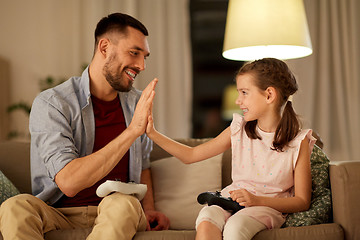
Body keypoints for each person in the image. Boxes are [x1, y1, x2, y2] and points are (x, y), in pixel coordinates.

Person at [0, 13, 169, 239]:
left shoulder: (137, 103)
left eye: (145, 56)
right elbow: (69, 183)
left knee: (122, 204)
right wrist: (131, 132)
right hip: (58, 213)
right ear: (105, 47)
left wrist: (148, 209)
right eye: (134, 53)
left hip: (116, 208)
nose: (141, 65)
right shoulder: (53, 103)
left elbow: (143, 163)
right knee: (14, 207)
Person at [146, 58, 316, 240]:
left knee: (235, 227)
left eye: (244, 93)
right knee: (207, 216)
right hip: (231, 200)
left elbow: (302, 201)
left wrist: (256, 200)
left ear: (269, 95)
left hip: (266, 208)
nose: (237, 100)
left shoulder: (299, 142)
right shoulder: (238, 129)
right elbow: (191, 155)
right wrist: (152, 133)